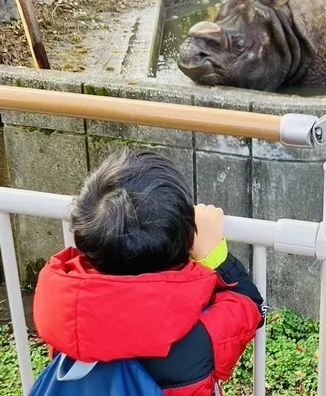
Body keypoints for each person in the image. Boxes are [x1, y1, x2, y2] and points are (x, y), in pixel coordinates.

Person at [33, 149, 264, 396]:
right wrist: (213, 254)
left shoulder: (65, 313)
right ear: (186, 239)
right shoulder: (196, 337)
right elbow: (248, 303)